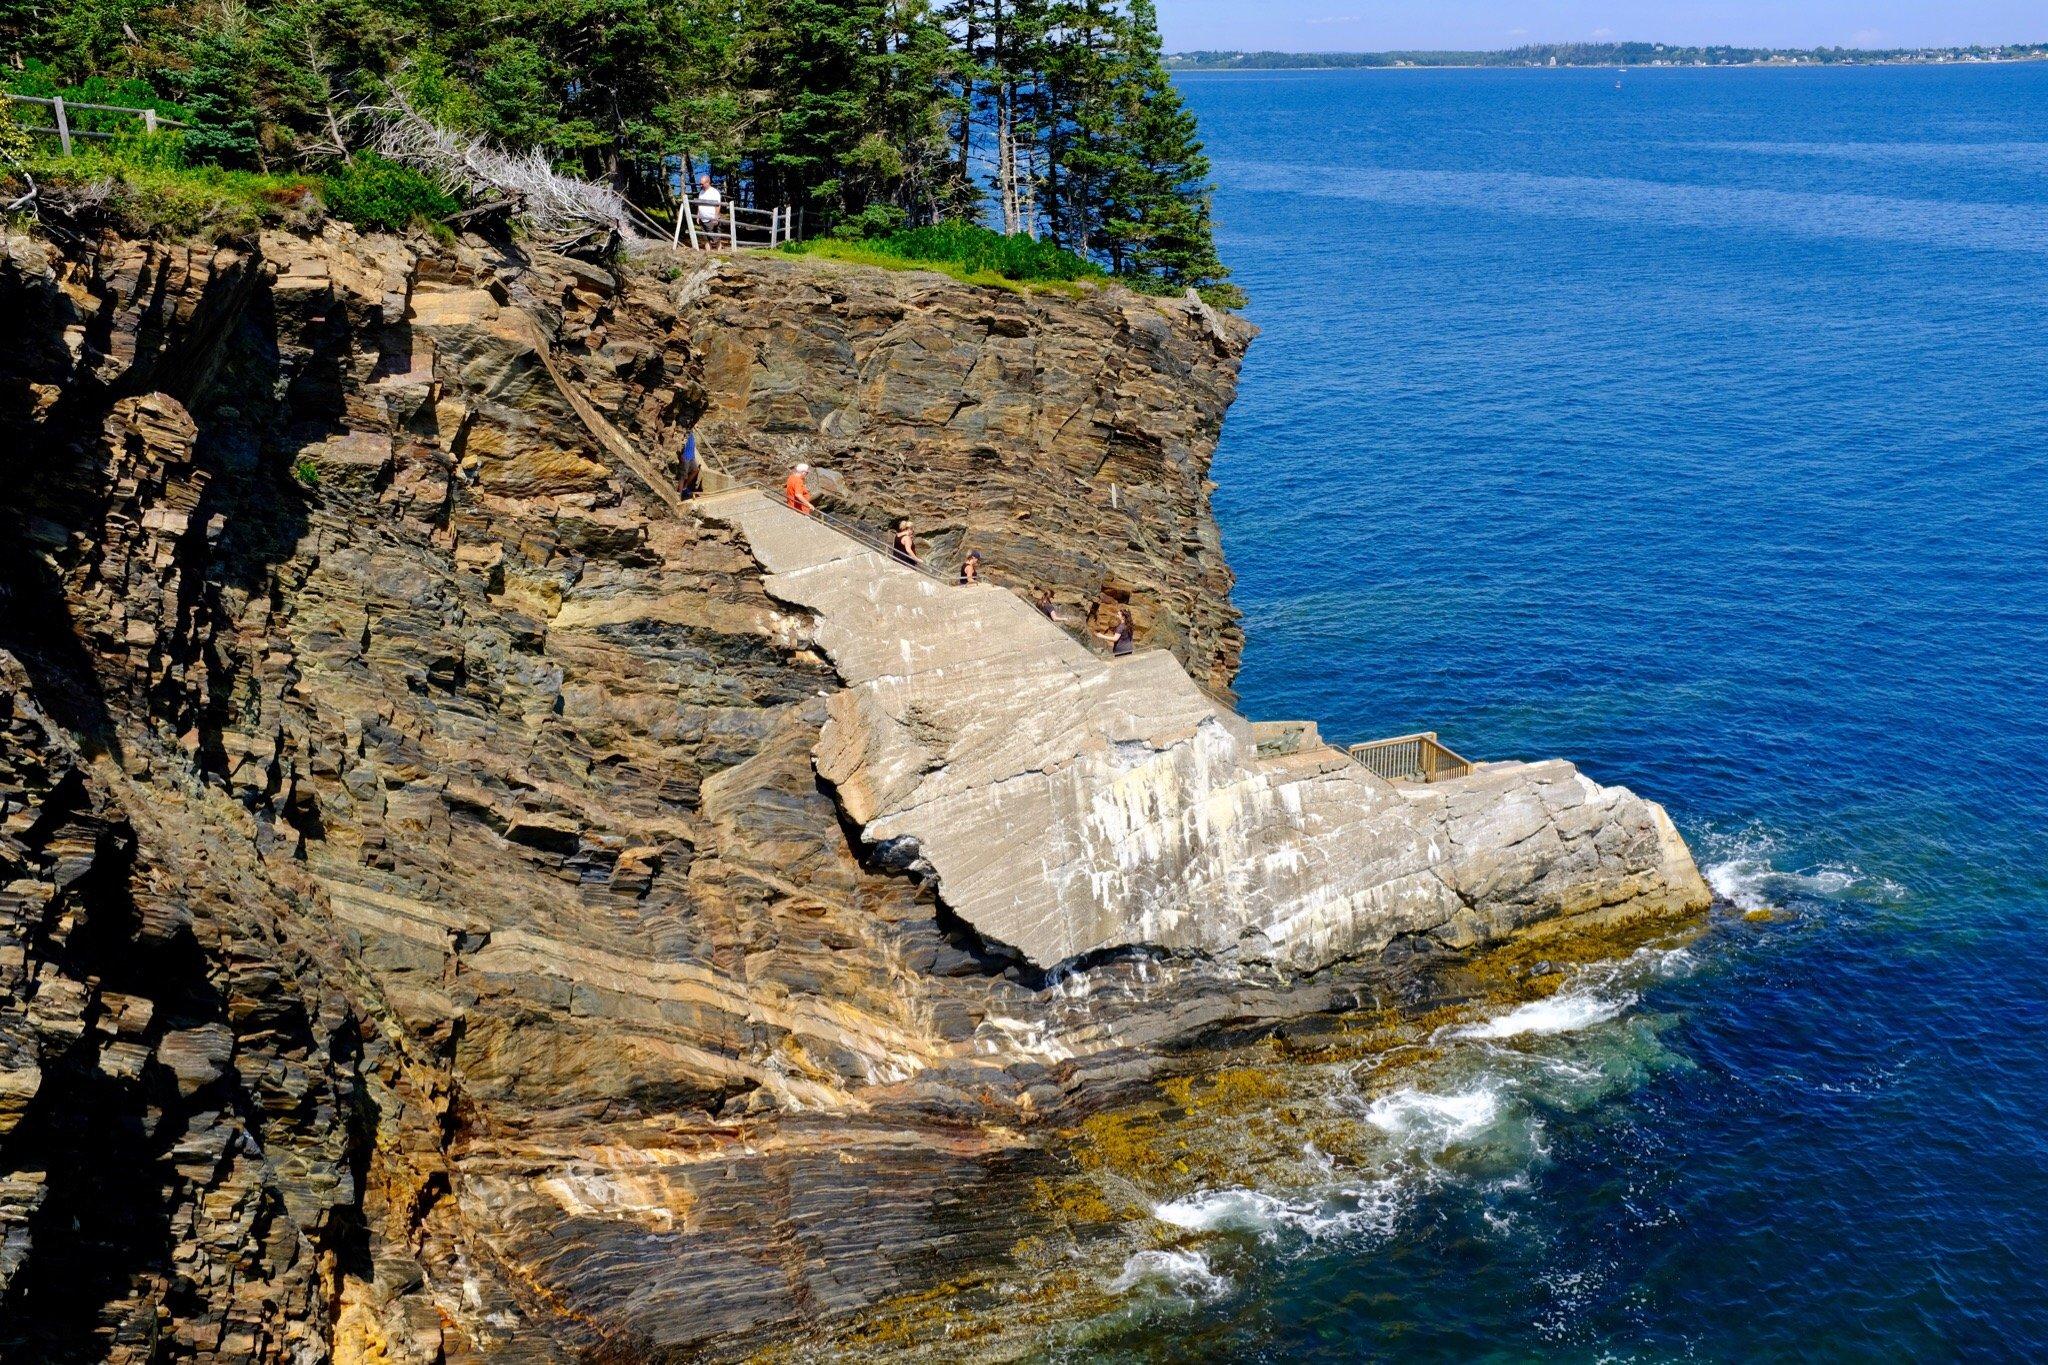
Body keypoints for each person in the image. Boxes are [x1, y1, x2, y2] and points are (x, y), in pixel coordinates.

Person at [694, 173, 723, 247]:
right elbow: (699, 204)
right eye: (700, 184)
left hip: (711, 218)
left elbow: (718, 205)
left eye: (702, 184)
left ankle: (719, 252)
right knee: (705, 237)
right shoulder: (701, 192)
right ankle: (708, 253)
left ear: (708, 182)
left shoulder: (714, 192)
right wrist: (698, 215)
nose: (701, 185)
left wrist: (716, 217)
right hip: (702, 218)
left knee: (715, 238)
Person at [676, 430, 702, 500]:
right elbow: (679, 442)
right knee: (683, 476)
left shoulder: (690, 430)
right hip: (685, 457)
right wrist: (681, 455)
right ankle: (679, 495)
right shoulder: (684, 430)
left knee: (695, 470)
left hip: (691, 456)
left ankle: (685, 487)